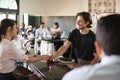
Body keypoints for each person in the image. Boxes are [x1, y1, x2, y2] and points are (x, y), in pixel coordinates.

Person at [62, 14, 120, 80]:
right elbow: (65, 46)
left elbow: (96, 57)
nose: (77, 23)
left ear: (98, 48)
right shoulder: (74, 32)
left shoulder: (74, 77)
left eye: (80, 21)